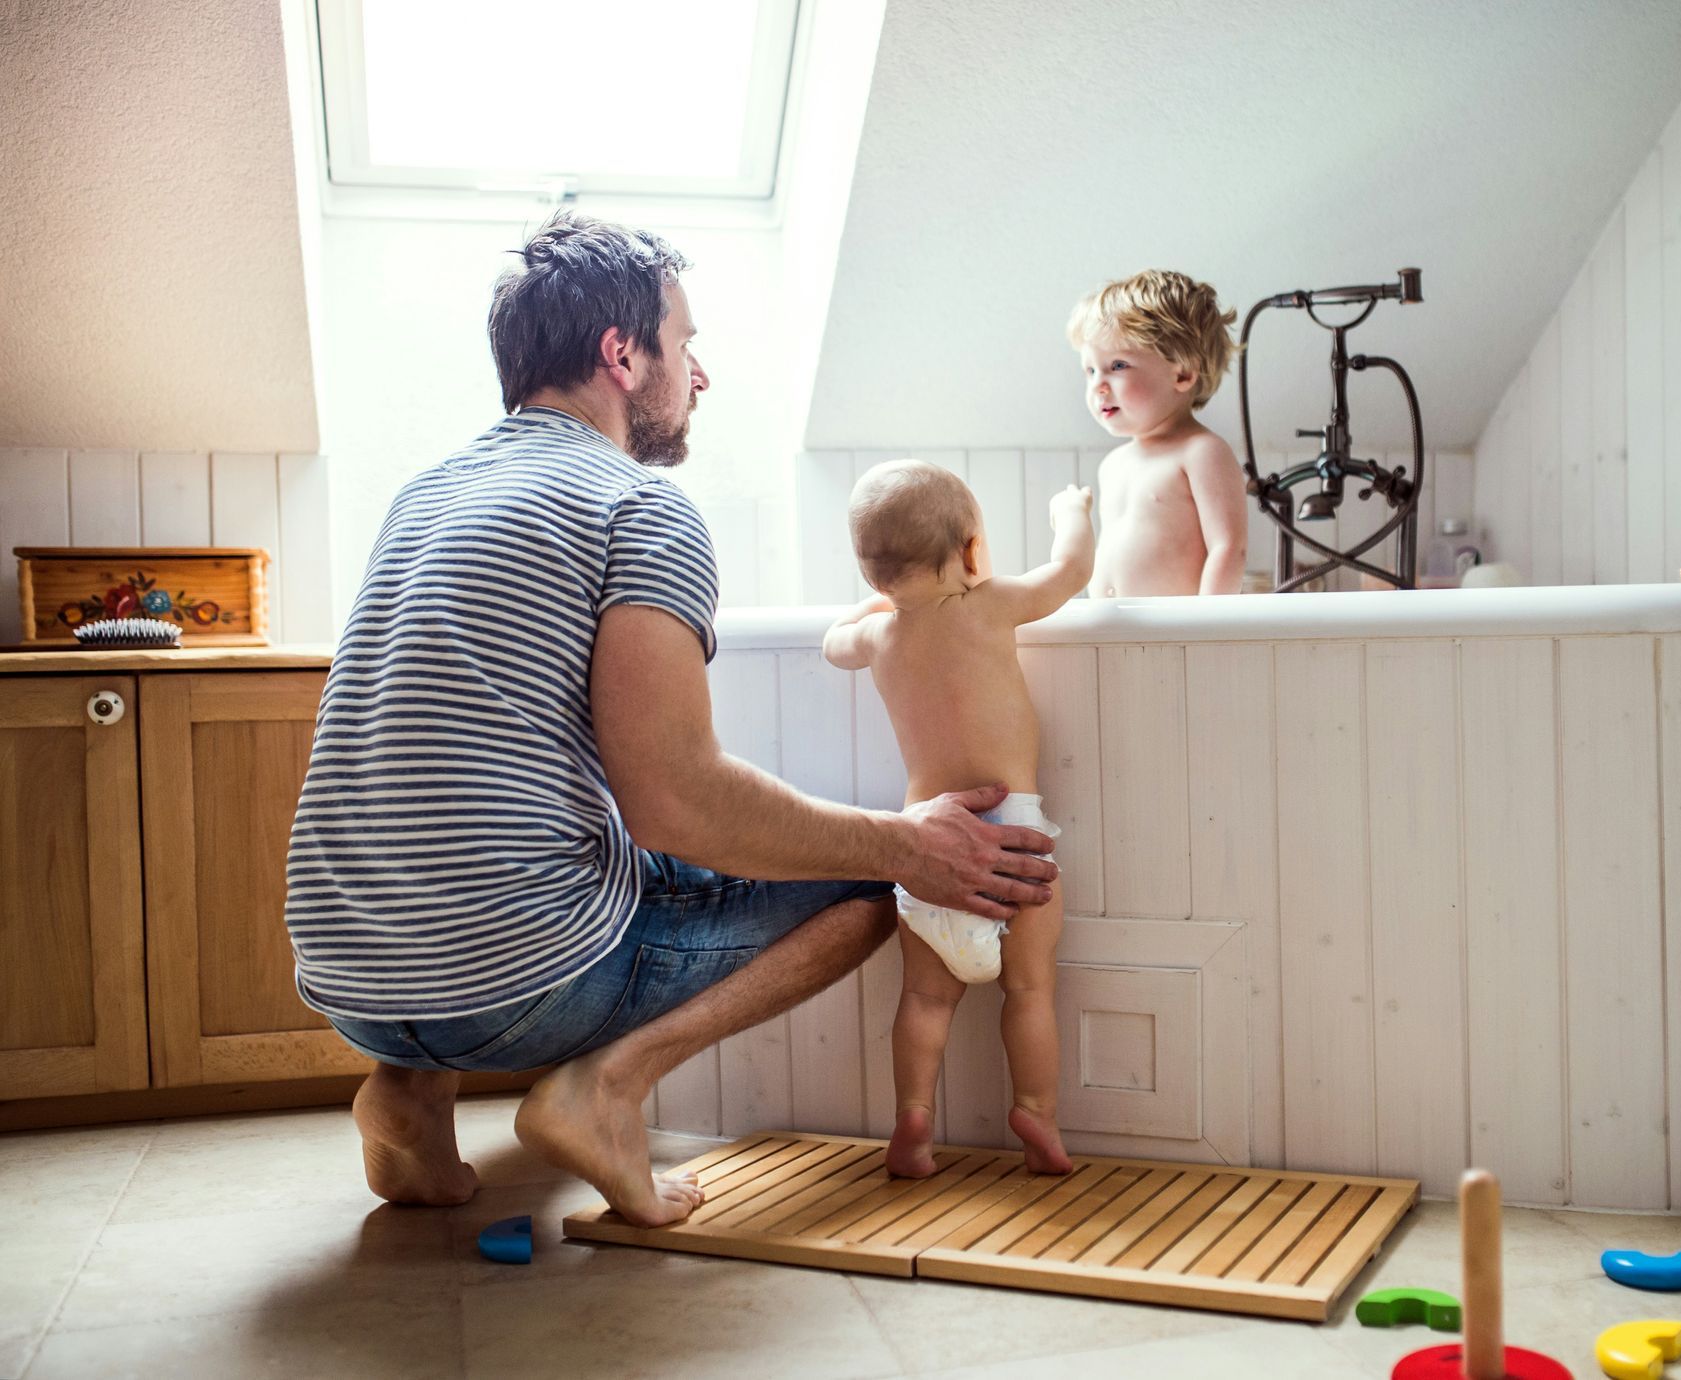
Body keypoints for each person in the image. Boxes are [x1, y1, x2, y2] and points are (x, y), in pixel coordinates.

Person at [284, 211, 1058, 1228]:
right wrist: (908, 843)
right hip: (508, 982)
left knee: (544, 842)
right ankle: (605, 1089)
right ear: (622, 354)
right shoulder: (635, 506)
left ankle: (405, 1094)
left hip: (348, 977)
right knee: (880, 869)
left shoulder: (427, 494)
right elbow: (674, 800)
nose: (700, 376)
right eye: (685, 345)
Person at [822, 460, 1095, 1178]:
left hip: (929, 849)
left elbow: (831, 643)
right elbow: (1070, 573)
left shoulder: (880, 638)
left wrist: (874, 607)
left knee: (923, 999)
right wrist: (1073, 512)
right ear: (973, 553)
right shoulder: (993, 603)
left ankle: (913, 1121)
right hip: (1014, 841)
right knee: (1030, 989)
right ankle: (1035, 1112)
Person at [1068, 269, 1248, 597]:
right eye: (1090, 370)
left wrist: (1205, 627)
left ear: (1182, 374)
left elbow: (1228, 547)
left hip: (1174, 632)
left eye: (1118, 366)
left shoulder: (1200, 452)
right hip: (1111, 628)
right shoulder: (1113, 464)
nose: (1098, 386)